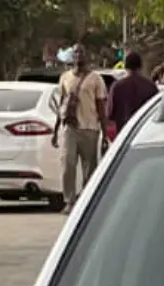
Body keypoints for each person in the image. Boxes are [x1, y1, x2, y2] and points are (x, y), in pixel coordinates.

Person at [51, 45, 107, 210]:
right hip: (70, 127)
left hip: (90, 128)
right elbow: (61, 105)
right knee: (68, 163)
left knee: (89, 166)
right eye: (75, 52)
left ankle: (86, 201)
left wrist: (104, 133)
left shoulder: (96, 79)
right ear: (72, 57)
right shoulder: (65, 77)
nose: (78, 55)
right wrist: (55, 131)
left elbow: (101, 106)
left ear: (86, 56)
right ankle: (69, 200)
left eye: (81, 52)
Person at [105, 50, 157, 142]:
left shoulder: (117, 86)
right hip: (145, 133)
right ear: (141, 66)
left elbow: (110, 113)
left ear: (125, 66)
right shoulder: (150, 86)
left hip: (123, 135)